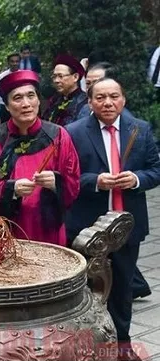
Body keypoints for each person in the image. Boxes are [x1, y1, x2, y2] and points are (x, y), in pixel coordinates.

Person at [66, 78, 160, 361]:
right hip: (87, 225)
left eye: (114, 97)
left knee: (122, 287)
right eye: (101, 97)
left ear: (123, 99)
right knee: (84, 288)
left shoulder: (139, 130)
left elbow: (156, 169)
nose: (108, 103)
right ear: (91, 102)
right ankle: (84, 344)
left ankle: (122, 344)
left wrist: (135, 179)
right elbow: (67, 177)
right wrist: (96, 181)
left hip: (128, 225)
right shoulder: (74, 132)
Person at [0, 70, 81, 246]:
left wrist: (56, 182)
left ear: (39, 100)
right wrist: (11, 188)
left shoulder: (58, 135)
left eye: (31, 96)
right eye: (17, 98)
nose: (26, 104)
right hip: (7, 231)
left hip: (49, 229)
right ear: (7, 106)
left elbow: (74, 182)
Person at [42, 54, 87, 127]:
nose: (56, 80)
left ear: (75, 77)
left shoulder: (84, 102)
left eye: (60, 76)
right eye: (54, 76)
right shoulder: (54, 100)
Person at [0, 52, 21, 124]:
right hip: (5, 109)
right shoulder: (1, 77)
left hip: (20, 107)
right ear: (8, 62)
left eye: (16, 61)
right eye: (12, 61)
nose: (14, 63)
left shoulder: (23, 76)